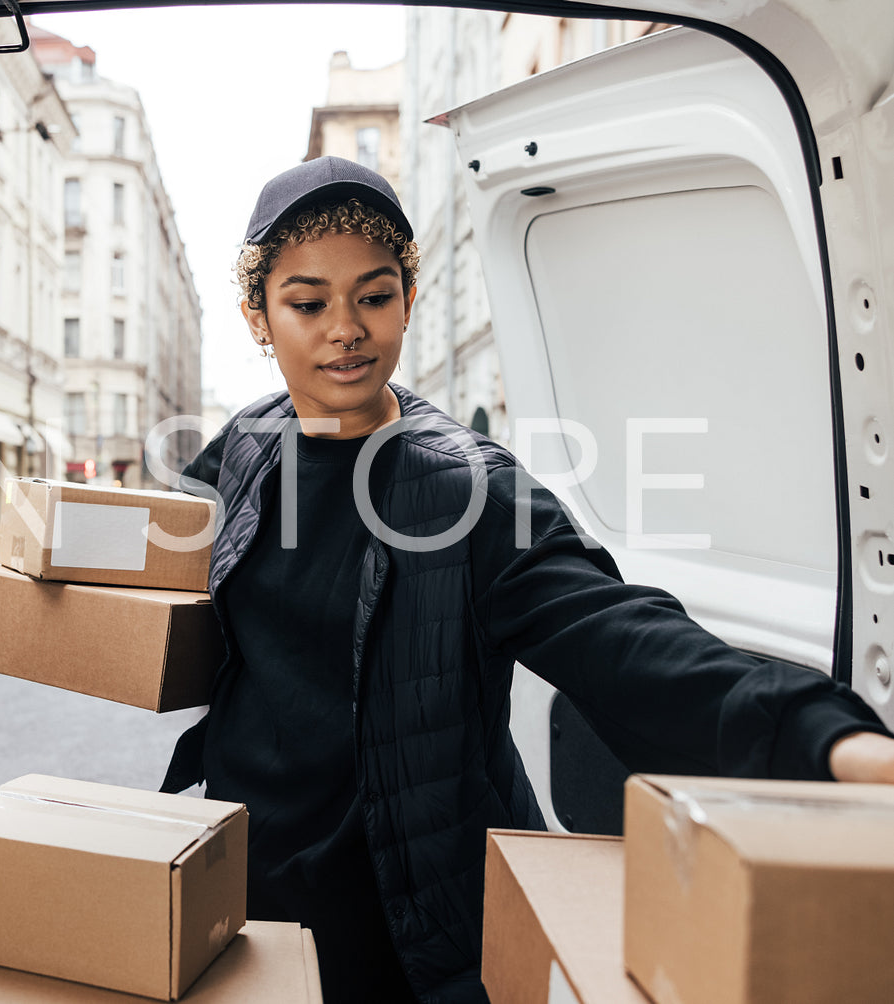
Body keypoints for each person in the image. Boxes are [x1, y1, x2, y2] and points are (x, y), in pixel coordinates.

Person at [161, 156, 894, 1004]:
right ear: (258, 316)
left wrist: (828, 741)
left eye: (373, 294)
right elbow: (174, 570)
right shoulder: (247, 442)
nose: (345, 329)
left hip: (402, 907)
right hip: (247, 872)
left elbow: (614, 633)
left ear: (406, 297)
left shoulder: (466, 489)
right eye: (306, 302)